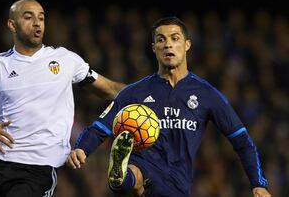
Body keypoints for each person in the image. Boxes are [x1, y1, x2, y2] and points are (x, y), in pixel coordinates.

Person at [67, 16, 272, 197]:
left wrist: (258, 183)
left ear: (187, 45)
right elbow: (101, 126)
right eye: (161, 40)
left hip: (178, 182)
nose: (168, 45)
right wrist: (82, 148)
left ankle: (125, 179)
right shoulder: (135, 92)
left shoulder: (207, 94)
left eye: (175, 39)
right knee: (135, 176)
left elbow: (241, 140)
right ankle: (123, 177)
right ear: (154, 47)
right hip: (144, 166)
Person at [0, 0, 125, 197]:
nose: (37, 23)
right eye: (28, 17)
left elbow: (109, 89)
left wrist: (148, 90)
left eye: (41, 18)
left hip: (38, 169)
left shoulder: (66, 60)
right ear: (12, 25)